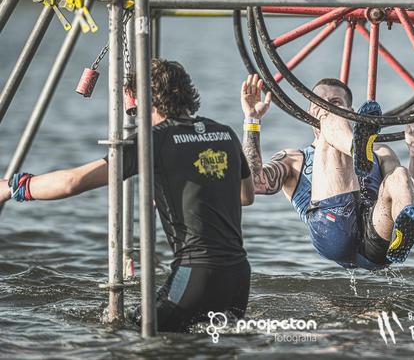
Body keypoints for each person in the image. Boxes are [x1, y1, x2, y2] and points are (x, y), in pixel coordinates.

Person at [0, 59, 254, 332]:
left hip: (196, 273)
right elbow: (245, 196)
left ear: (140, 98)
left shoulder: (152, 139)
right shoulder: (224, 133)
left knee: (130, 331)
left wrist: (13, 187)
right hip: (239, 274)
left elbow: (73, 182)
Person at [241, 74, 414, 270]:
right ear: (308, 112)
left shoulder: (381, 152)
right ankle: (356, 150)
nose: (326, 107)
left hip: (377, 241)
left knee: (399, 175)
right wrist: (252, 120)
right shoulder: (293, 159)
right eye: (319, 103)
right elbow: (255, 183)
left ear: (351, 111)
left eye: (335, 102)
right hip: (334, 234)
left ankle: (404, 239)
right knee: (329, 127)